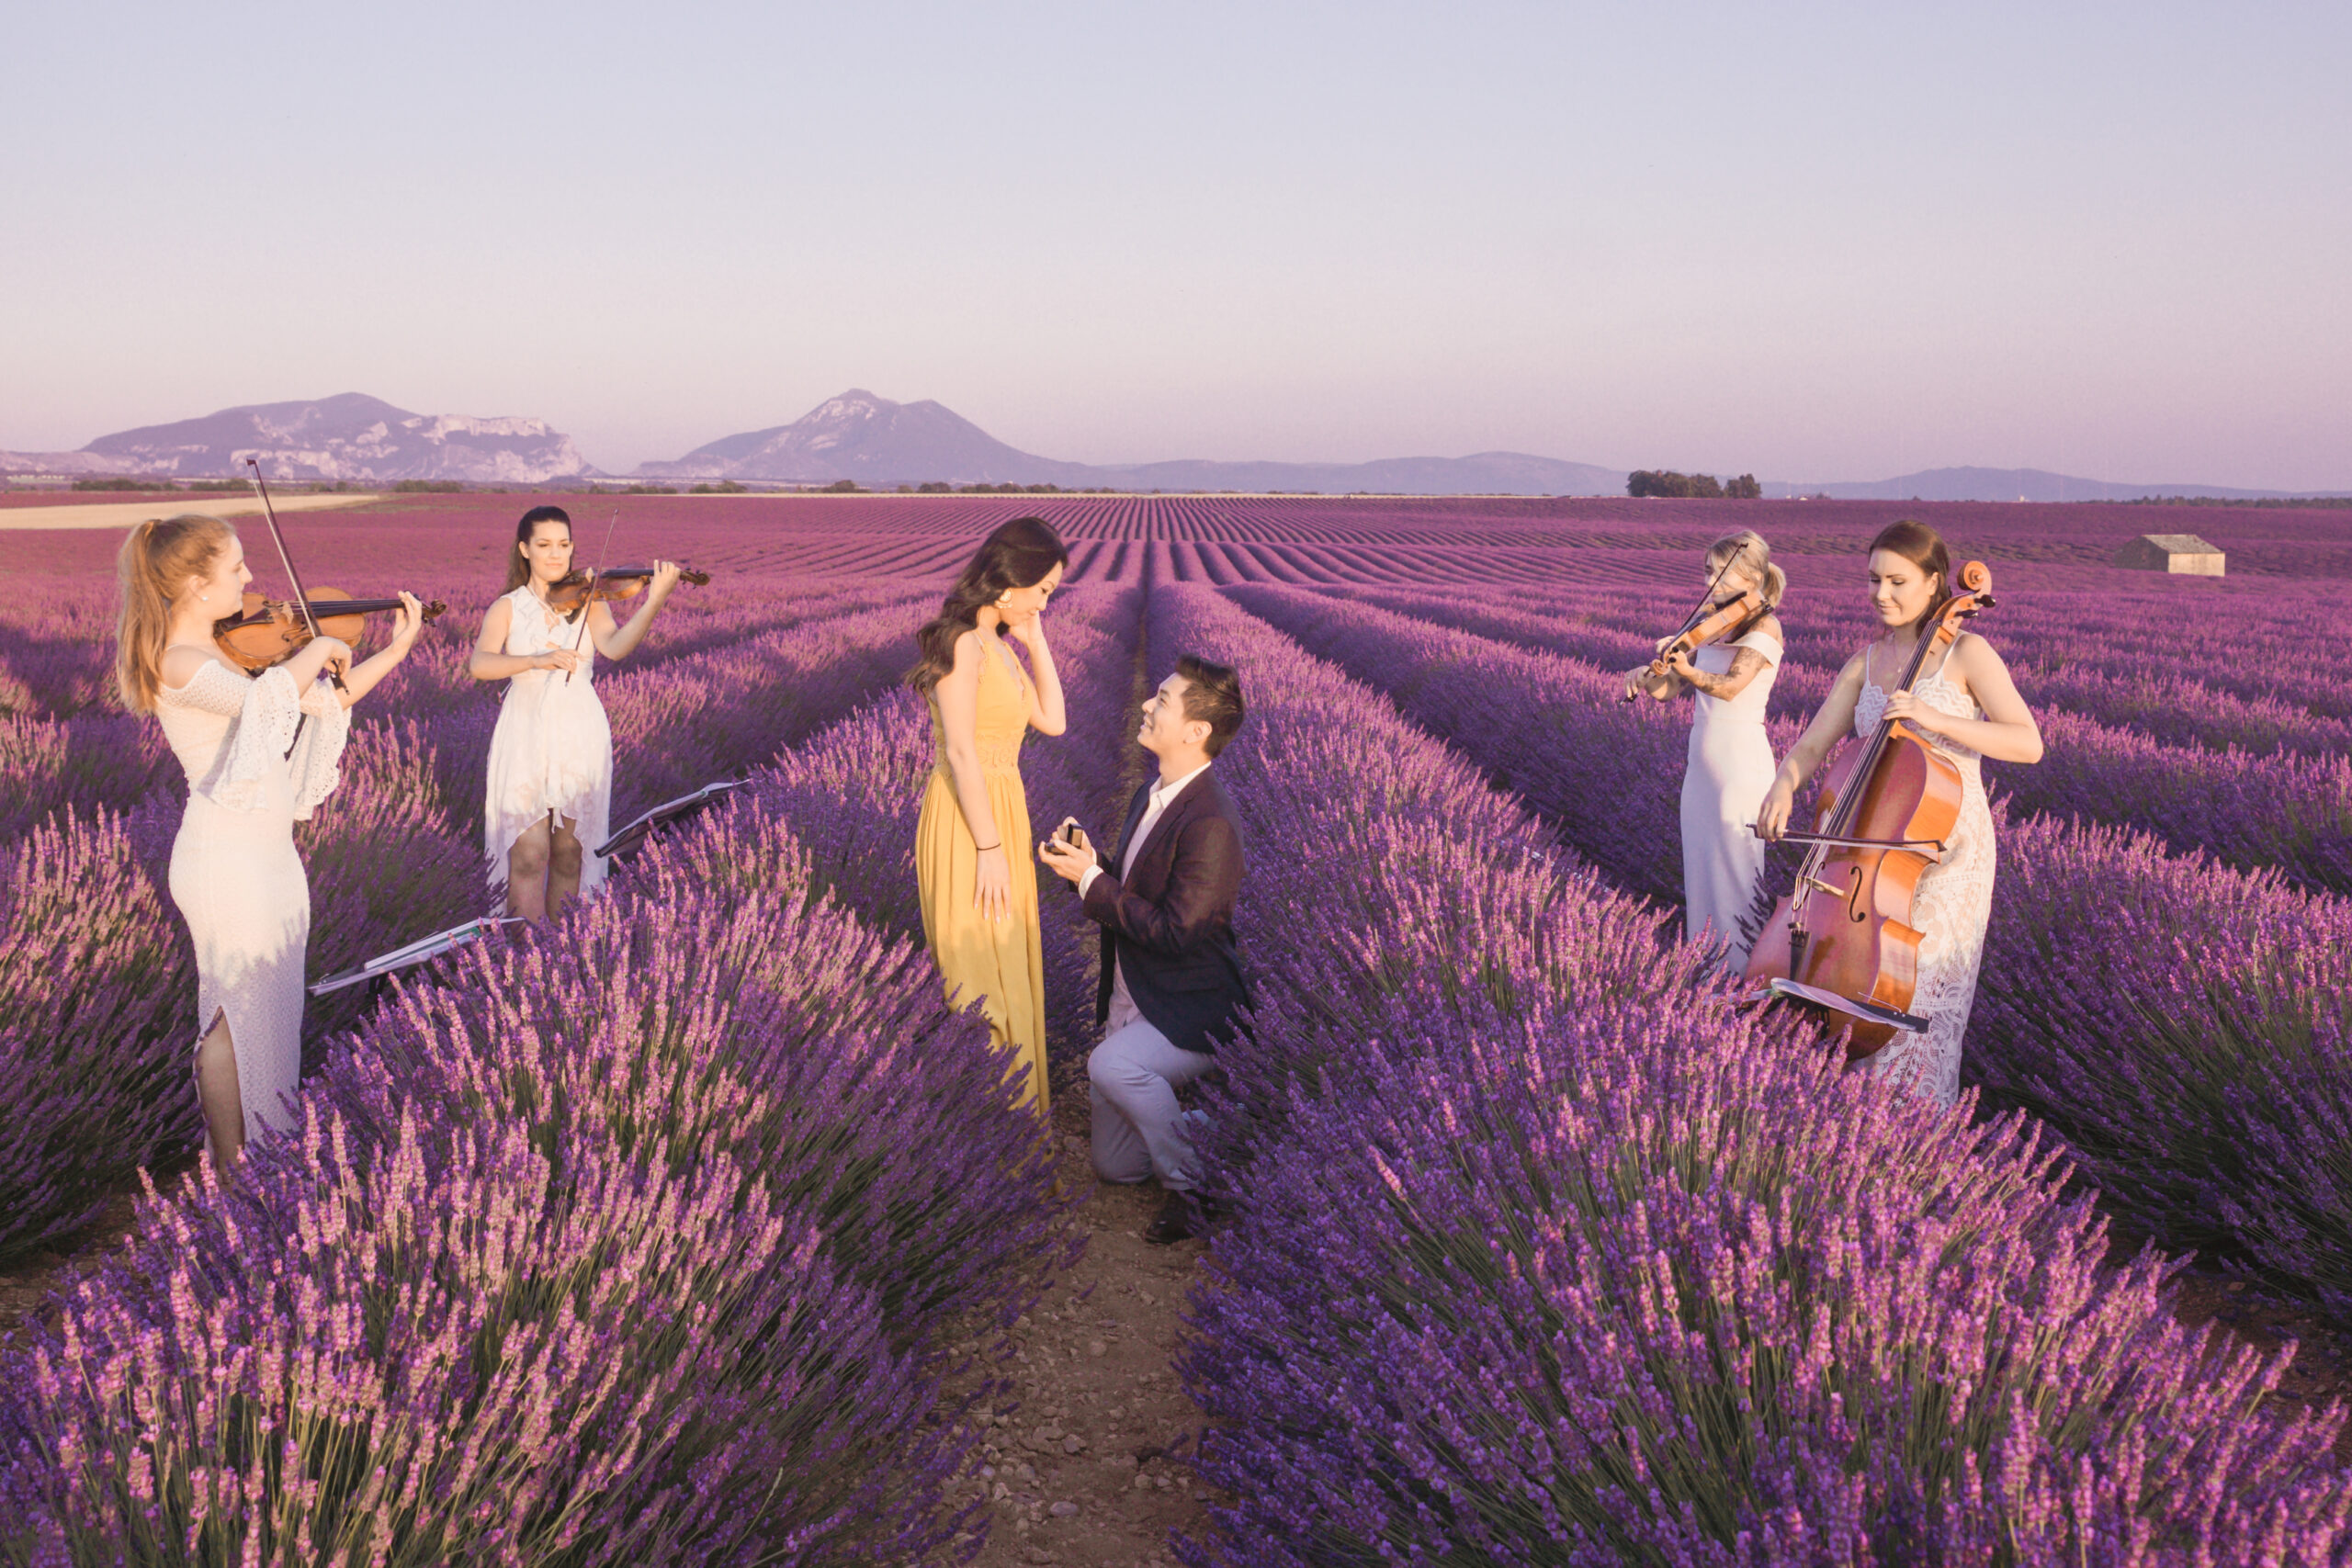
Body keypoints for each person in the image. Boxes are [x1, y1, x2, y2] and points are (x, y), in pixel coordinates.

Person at [115, 513, 424, 1167]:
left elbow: (318, 703)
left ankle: (249, 1163)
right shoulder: (178, 661)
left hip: (264, 858)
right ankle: (236, 1167)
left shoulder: (225, 654)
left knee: (260, 1017)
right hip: (225, 861)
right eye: (235, 568)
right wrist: (313, 650)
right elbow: (268, 704)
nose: (252, 579)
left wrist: (391, 652)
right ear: (198, 584)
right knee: (235, 1014)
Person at [1756, 520, 2043, 1107]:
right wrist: (1782, 788)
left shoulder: (1967, 652)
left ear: (1935, 582)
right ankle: (1857, 1132)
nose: (1881, 594)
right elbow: (1812, 746)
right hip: (1872, 850)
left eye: (1897, 581)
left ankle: (1918, 1131)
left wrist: (1934, 719)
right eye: (1873, 580)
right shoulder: (1865, 662)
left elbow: (2028, 743)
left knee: (1914, 999)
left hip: (1945, 854)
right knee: (1853, 995)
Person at [1038, 656, 1248, 1245]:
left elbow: (1179, 933)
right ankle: (1220, 1128)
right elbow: (1133, 894)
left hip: (1188, 1009)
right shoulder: (1149, 795)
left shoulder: (1210, 822)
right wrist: (1088, 866)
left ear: (1195, 731)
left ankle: (1193, 1187)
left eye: (1162, 698)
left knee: (1110, 1065)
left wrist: (1092, 884)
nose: (1147, 706)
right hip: (1133, 997)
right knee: (1118, 1168)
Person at [910, 517, 1069, 1115]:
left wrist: (1036, 640)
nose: (1044, 603)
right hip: (966, 823)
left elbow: (1053, 721)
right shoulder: (959, 644)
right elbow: (959, 750)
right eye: (1044, 590)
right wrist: (987, 848)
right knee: (978, 981)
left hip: (1002, 814)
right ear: (1010, 584)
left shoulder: (1000, 648)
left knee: (1008, 964)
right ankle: (985, 1138)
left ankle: (1019, 1147)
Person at [469, 505, 682, 919]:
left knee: (570, 853)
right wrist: (536, 659)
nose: (556, 555)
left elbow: (616, 648)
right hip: (525, 732)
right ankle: (522, 960)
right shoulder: (508, 607)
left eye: (564, 545)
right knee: (529, 853)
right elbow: (480, 665)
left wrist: (654, 601)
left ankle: (558, 955)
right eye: (544, 545)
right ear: (524, 550)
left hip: (579, 730)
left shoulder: (590, 601)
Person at [1623, 529, 1787, 972]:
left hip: (1740, 763)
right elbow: (1668, 690)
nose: (1709, 583)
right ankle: (1707, 976)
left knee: (1736, 875)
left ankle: (1746, 979)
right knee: (1700, 871)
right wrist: (1649, 674)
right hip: (1703, 763)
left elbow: (1731, 687)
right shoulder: (1712, 626)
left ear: (1751, 576)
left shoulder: (1766, 626)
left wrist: (1686, 671)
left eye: (1720, 572)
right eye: (1708, 571)